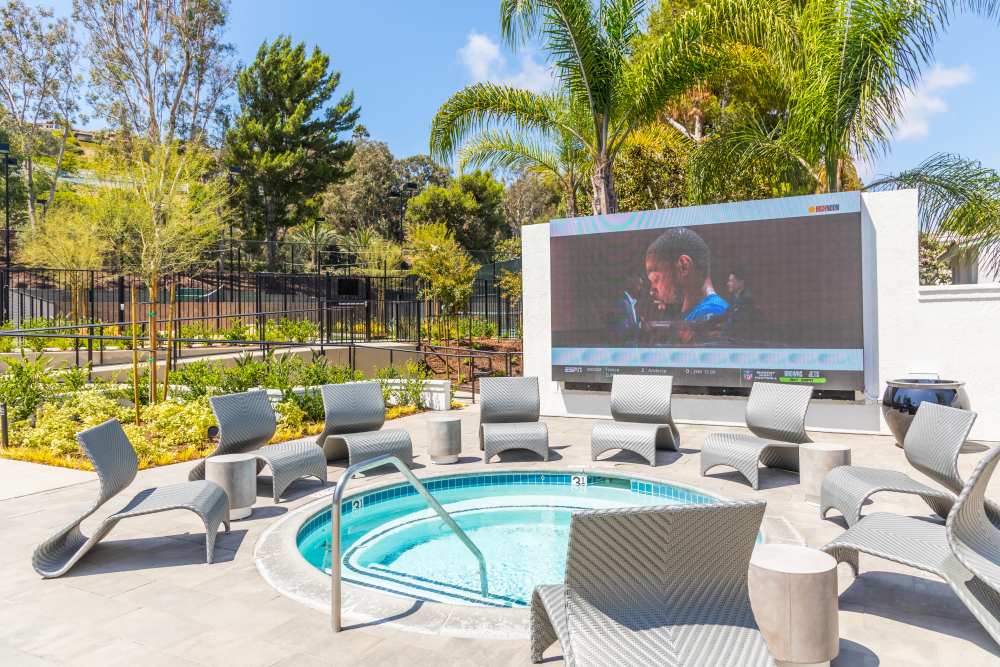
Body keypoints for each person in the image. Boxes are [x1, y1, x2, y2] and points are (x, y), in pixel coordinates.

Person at [644, 227, 729, 324]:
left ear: (684, 266)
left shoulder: (710, 315)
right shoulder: (698, 314)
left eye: (655, 279)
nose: (651, 291)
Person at [722, 267, 756, 340]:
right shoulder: (734, 299)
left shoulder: (747, 301)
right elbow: (725, 316)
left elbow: (739, 326)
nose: (728, 283)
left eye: (731, 281)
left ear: (741, 282)